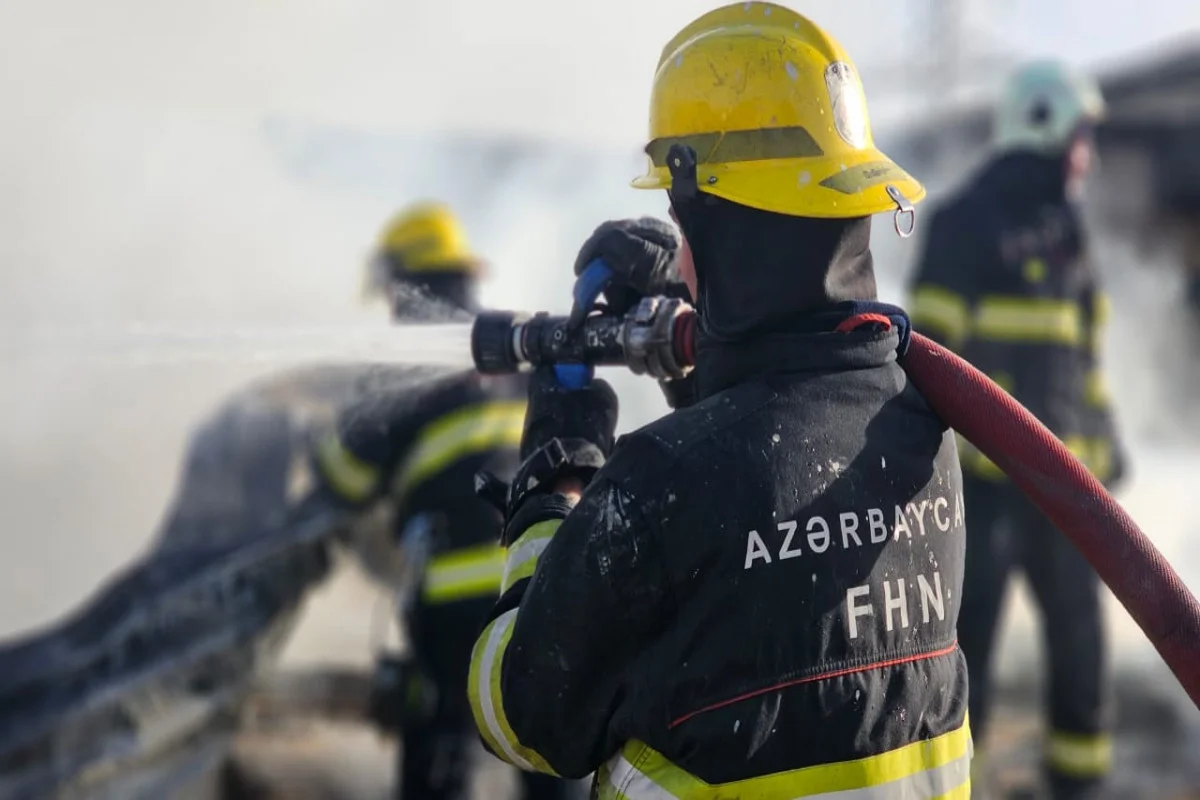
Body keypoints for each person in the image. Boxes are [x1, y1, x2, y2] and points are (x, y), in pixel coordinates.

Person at [465, 4, 972, 798]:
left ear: (714, 217)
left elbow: (521, 715)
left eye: (685, 219)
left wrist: (552, 485)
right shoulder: (923, 426)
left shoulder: (660, 486)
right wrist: (691, 282)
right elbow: (779, 450)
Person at [908, 62, 1125, 799]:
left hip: (1065, 491)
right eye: (1081, 137)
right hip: (984, 489)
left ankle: (1078, 786)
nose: (1085, 156)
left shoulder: (1068, 231)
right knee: (962, 662)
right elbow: (931, 362)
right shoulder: (964, 224)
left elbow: (1082, 359)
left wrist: (1107, 449)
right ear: (1043, 123)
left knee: (1082, 650)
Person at [314, 201, 578, 800]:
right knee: (548, 756)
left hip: (453, 606)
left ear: (405, 285)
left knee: (440, 767)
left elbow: (344, 478)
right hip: (537, 590)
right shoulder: (517, 348)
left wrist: (319, 441)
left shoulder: (407, 367)